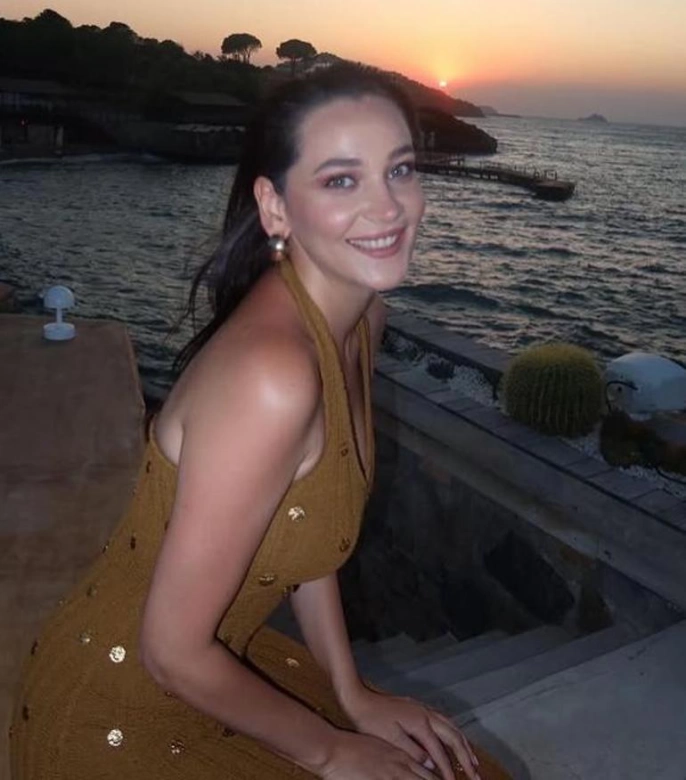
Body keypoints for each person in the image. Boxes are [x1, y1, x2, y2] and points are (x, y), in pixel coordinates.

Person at [10, 64, 511, 780]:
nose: (388, 207)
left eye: (399, 169)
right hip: (119, 714)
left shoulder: (361, 319)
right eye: (342, 180)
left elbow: (308, 535)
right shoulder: (271, 378)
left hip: (212, 671)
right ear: (275, 208)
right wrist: (330, 749)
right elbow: (170, 650)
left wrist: (352, 695)